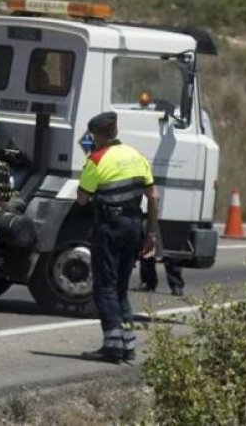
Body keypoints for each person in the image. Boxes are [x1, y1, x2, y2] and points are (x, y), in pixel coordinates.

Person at [75, 111, 158, 364]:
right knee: (121, 288)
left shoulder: (96, 160)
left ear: (98, 135)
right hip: (134, 225)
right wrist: (152, 233)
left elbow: (82, 198)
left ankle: (112, 346)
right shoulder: (137, 156)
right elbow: (153, 196)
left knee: (105, 287)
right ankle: (128, 345)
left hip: (109, 227)